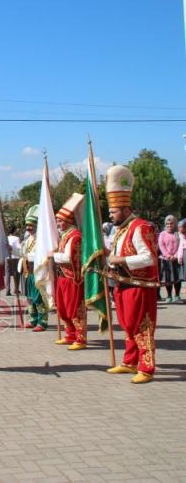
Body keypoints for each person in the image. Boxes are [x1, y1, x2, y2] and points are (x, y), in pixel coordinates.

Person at [105, 165, 159, 384]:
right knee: (128, 325)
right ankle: (129, 362)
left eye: (113, 211)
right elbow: (117, 255)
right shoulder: (121, 230)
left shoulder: (140, 227)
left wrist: (119, 260)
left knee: (142, 326)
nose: (110, 215)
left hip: (140, 285)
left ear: (126, 209)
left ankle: (146, 367)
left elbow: (149, 258)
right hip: (123, 284)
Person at [49, 194, 86, 349]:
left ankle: (81, 338)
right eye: (58, 220)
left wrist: (53, 255)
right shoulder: (65, 236)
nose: (58, 223)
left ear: (69, 220)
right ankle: (70, 334)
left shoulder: (75, 236)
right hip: (62, 277)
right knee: (63, 308)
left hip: (73, 278)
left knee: (74, 308)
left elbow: (68, 257)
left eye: (60, 220)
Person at [20, 206, 47, 332]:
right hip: (27, 272)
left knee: (38, 298)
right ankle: (33, 319)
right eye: (27, 225)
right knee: (30, 298)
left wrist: (27, 256)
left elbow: (40, 255)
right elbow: (22, 253)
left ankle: (42, 322)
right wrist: (11, 249)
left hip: (37, 272)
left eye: (31, 225)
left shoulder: (41, 239)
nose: (28, 228)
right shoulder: (27, 239)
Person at [158, 215, 181, 303]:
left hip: (176, 259)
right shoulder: (162, 233)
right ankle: (169, 296)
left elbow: (181, 245)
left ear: (175, 224)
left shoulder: (178, 233)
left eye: (171, 224)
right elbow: (161, 245)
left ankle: (177, 295)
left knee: (177, 278)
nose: (169, 226)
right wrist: (168, 255)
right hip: (165, 259)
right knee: (168, 278)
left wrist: (175, 255)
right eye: (167, 224)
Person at [6, 226, 22, 296]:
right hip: (15, 257)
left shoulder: (6, 238)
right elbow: (19, 247)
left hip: (7, 257)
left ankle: (7, 290)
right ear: (14, 231)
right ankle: (16, 289)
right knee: (16, 274)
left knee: (7, 274)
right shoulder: (17, 238)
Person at [177, 219, 186, 302]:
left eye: (181, 227)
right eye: (179, 227)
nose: (179, 229)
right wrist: (179, 257)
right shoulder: (181, 236)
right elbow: (180, 246)